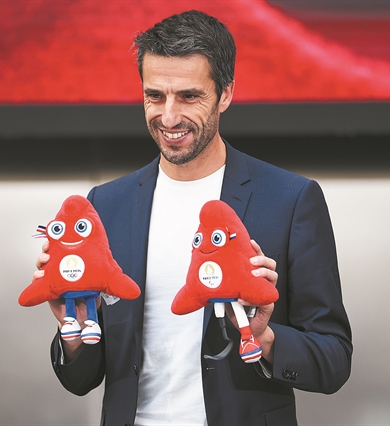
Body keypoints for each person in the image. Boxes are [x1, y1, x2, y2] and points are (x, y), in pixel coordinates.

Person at [32, 10, 352, 426]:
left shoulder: (290, 200)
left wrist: (265, 337)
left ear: (225, 94)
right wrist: (73, 331)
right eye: (154, 96)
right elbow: (81, 379)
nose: (168, 117)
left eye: (188, 96)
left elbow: (333, 359)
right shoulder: (106, 205)